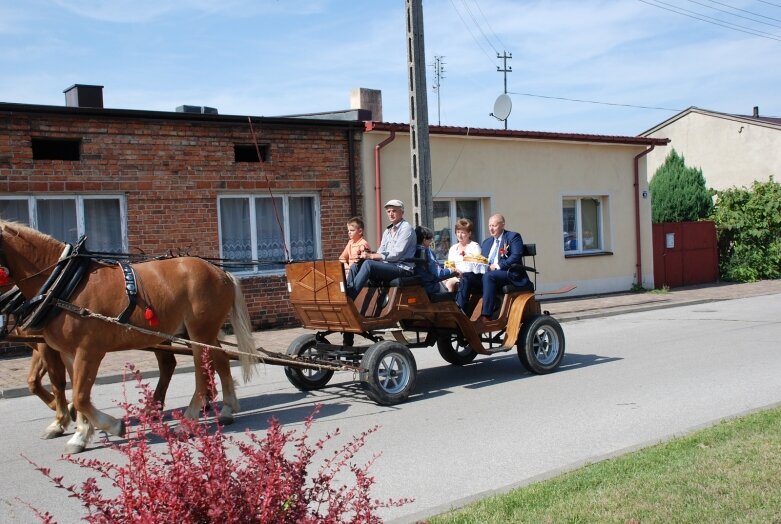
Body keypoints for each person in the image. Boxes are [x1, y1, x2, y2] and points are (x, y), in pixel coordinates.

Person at [455, 213, 531, 323]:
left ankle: (486, 316)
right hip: (489, 275)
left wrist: (498, 266)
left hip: (509, 274)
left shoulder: (513, 237)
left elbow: (515, 256)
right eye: (489, 225)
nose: (491, 228)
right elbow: (482, 260)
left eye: (494, 226)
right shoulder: (487, 242)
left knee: (489, 276)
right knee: (467, 276)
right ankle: (459, 313)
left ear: (503, 225)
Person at [345, 199, 416, 300]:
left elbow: (396, 254)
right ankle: (346, 295)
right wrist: (365, 255)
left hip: (402, 268)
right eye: (388, 211)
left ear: (402, 212)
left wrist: (371, 257)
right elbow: (380, 252)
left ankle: (351, 297)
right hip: (388, 266)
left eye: (394, 211)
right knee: (356, 265)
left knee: (368, 264)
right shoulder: (387, 231)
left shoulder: (406, 228)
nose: (391, 214)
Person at [414, 226, 459, 295]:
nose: (431, 241)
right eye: (430, 239)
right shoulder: (427, 251)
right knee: (451, 284)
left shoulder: (412, 250)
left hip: (418, 287)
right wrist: (452, 270)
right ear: (424, 240)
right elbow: (439, 273)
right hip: (430, 287)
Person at [443, 218, 482, 292]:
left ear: (469, 233)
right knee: (438, 283)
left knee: (449, 284)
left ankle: (452, 303)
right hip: (452, 275)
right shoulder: (453, 248)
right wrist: (450, 268)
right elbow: (449, 264)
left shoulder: (474, 246)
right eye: (458, 232)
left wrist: (460, 272)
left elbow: (475, 266)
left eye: (462, 232)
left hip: (466, 277)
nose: (459, 235)